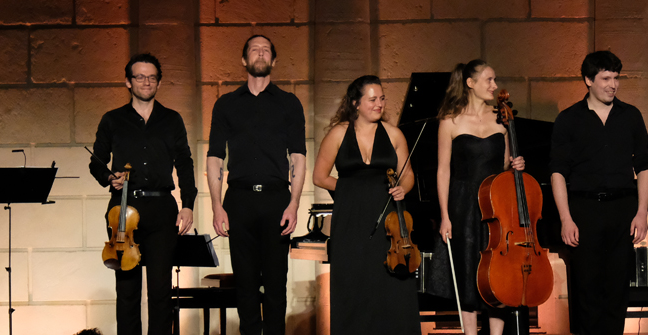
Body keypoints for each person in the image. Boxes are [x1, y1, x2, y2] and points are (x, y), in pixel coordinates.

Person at [206, 35, 306, 335]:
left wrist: (294, 203)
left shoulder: (289, 103)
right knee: (245, 285)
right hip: (239, 200)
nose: (260, 54)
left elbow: (298, 156)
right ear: (244, 59)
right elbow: (214, 157)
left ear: (273, 60)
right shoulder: (226, 104)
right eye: (254, 49)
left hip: (276, 200)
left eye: (265, 50)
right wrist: (216, 205)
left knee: (276, 283)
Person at [89, 53, 196, 335]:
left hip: (162, 209)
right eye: (139, 76)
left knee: (161, 291)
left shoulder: (172, 120)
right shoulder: (112, 120)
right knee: (127, 291)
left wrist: (188, 205)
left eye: (152, 77)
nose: (146, 82)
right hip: (123, 209)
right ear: (128, 82)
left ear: (158, 83)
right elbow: (96, 162)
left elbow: (184, 163)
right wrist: (109, 177)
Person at [550, 50, 648, 335]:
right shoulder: (569, 119)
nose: (613, 84)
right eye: (606, 78)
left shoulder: (630, 116)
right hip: (584, 211)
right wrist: (565, 218)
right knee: (586, 287)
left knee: (617, 287)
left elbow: (643, 166)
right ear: (588, 80)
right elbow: (557, 171)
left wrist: (642, 212)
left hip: (622, 209)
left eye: (616, 78)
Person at [423, 59, 526, 335]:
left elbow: (504, 165)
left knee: (497, 272)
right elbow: (443, 170)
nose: (494, 86)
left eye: (494, 80)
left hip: (496, 204)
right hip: (464, 204)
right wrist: (444, 216)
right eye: (489, 80)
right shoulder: (450, 120)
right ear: (470, 83)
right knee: (468, 271)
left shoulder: (501, 118)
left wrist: (516, 164)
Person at [312, 75, 420, 334]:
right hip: (350, 219)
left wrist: (402, 189)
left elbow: (407, 174)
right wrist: (352, 191)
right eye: (372, 99)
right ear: (356, 103)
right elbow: (319, 176)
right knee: (353, 284)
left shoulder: (394, 134)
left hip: (389, 221)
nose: (379, 104)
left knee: (389, 288)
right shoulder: (338, 133)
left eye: (382, 98)